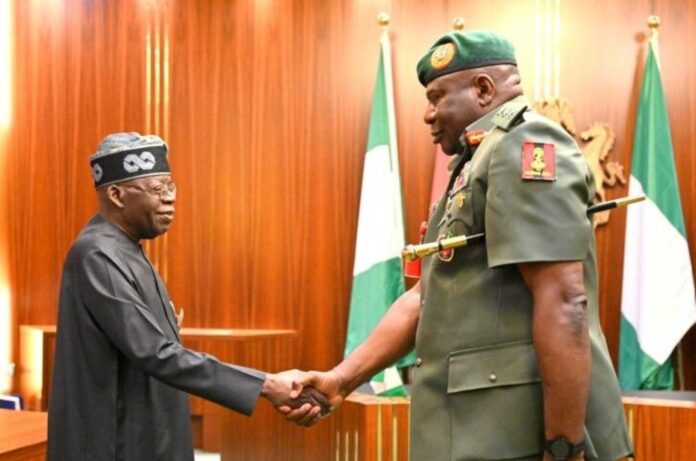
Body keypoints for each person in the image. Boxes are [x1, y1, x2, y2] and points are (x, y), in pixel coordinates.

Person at [291, 31, 633, 461]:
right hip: (480, 431)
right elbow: (424, 297)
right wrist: (341, 380)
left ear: (484, 89)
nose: (428, 115)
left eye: (436, 98)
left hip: (521, 436)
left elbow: (564, 300)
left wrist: (564, 446)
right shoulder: (475, 163)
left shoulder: (525, 146)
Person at [48, 133, 325, 461]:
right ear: (116, 194)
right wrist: (266, 385)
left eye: (171, 187)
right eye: (157, 190)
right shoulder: (97, 253)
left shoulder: (126, 248)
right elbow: (156, 353)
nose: (170, 199)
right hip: (115, 444)